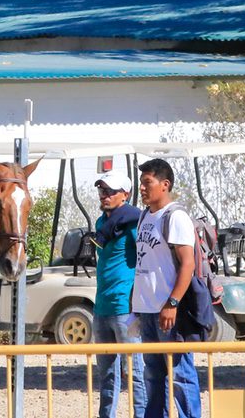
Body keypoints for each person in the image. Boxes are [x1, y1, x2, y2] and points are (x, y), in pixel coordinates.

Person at [132, 158, 202, 418]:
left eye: (147, 182)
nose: (142, 188)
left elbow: (188, 265)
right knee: (153, 375)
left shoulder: (176, 216)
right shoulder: (144, 216)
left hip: (168, 311)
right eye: (141, 183)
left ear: (165, 184)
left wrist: (172, 303)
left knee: (181, 375)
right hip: (147, 310)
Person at [92, 171, 146, 418]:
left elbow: (146, 257)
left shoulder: (134, 223)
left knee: (135, 370)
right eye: (102, 190)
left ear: (125, 194)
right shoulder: (101, 223)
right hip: (101, 308)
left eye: (110, 191)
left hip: (126, 309)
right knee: (106, 374)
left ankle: (142, 414)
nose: (105, 195)